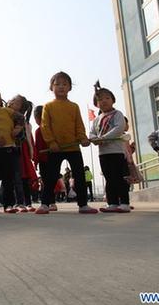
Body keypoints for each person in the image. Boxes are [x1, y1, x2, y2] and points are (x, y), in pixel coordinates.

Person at [38, 71, 98, 214]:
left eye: (65, 84)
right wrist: (51, 142)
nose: (61, 87)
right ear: (51, 87)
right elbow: (45, 126)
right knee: (51, 177)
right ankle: (45, 203)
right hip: (55, 148)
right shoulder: (48, 106)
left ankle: (83, 204)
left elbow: (79, 125)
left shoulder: (74, 106)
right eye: (57, 84)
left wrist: (83, 138)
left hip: (73, 148)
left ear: (70, 87)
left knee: (79, 176)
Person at [90, 82, 131, 213]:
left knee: (119, 177)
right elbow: (92, 132)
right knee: (109, 178)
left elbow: (119, 128)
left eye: (107, 98)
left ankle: (124, 203)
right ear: (96, 104)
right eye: (100, 99)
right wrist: (93, 139)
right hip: (103, 153)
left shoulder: (117, 114)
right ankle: (112, 203)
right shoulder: (97, 119)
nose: (104, 101)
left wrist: (103, 138)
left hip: (116, 152)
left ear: (113, 100)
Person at [7, 94, 37, 212]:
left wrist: (32, 154)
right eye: (12, 99)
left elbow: (29, 139)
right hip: (8, 149)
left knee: (22, 178)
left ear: (21, 109)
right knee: (11, 178)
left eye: (16, 101)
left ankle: (25, 202)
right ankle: (13, 203)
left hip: (19, 150)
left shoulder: (23, 122)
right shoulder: (3, 114)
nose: (11, 101)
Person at [33, 105, 48, 206]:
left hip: (44, 159)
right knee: (48, 182)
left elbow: (37, 148)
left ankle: (47, 202)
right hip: (49, 158)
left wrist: (36, 162)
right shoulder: (41, 130)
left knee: (46, 182)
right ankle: (50, 202)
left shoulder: (39, 131)